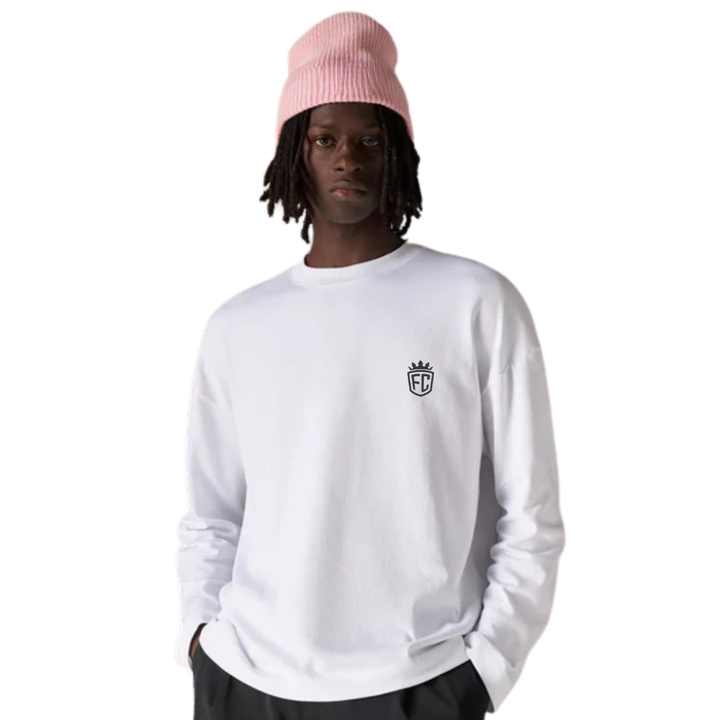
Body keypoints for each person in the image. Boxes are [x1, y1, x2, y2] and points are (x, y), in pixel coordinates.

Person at [175, 11, 565, 719]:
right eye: (325, 138)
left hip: (419, 681)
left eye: (370, 140)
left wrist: (486, 669)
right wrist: (200, 639)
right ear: (294, 153)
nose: (347, 159)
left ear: (398, 156)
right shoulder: (238, 326)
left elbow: (531, 511)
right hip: (244, 679)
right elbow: (211, 512)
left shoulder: (474, 302)